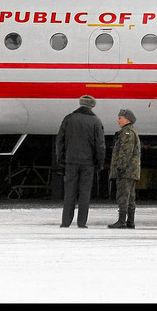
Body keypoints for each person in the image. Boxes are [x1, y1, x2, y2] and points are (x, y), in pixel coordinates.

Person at [54, 94, 106, 228]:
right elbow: (100, 145)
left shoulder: (68, 119)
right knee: (84, 193)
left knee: (69, 192)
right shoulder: (95, 121)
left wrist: (61, 160)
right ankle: (81, 223)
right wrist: (99, 163)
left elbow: (60, 141)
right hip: (88, 163)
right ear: (92, 106)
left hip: (71, 162)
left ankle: (65, 222)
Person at [107, 108, 142, 229]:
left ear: (127, 119)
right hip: (131, 171)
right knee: (130, 196)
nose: (118, 121)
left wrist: (120, 167)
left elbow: (125, 152)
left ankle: (122, 220)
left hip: (126, 171)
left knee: (122, 195)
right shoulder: (131, 132)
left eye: (120, 118)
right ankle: (130, 221)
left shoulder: (127, 133)